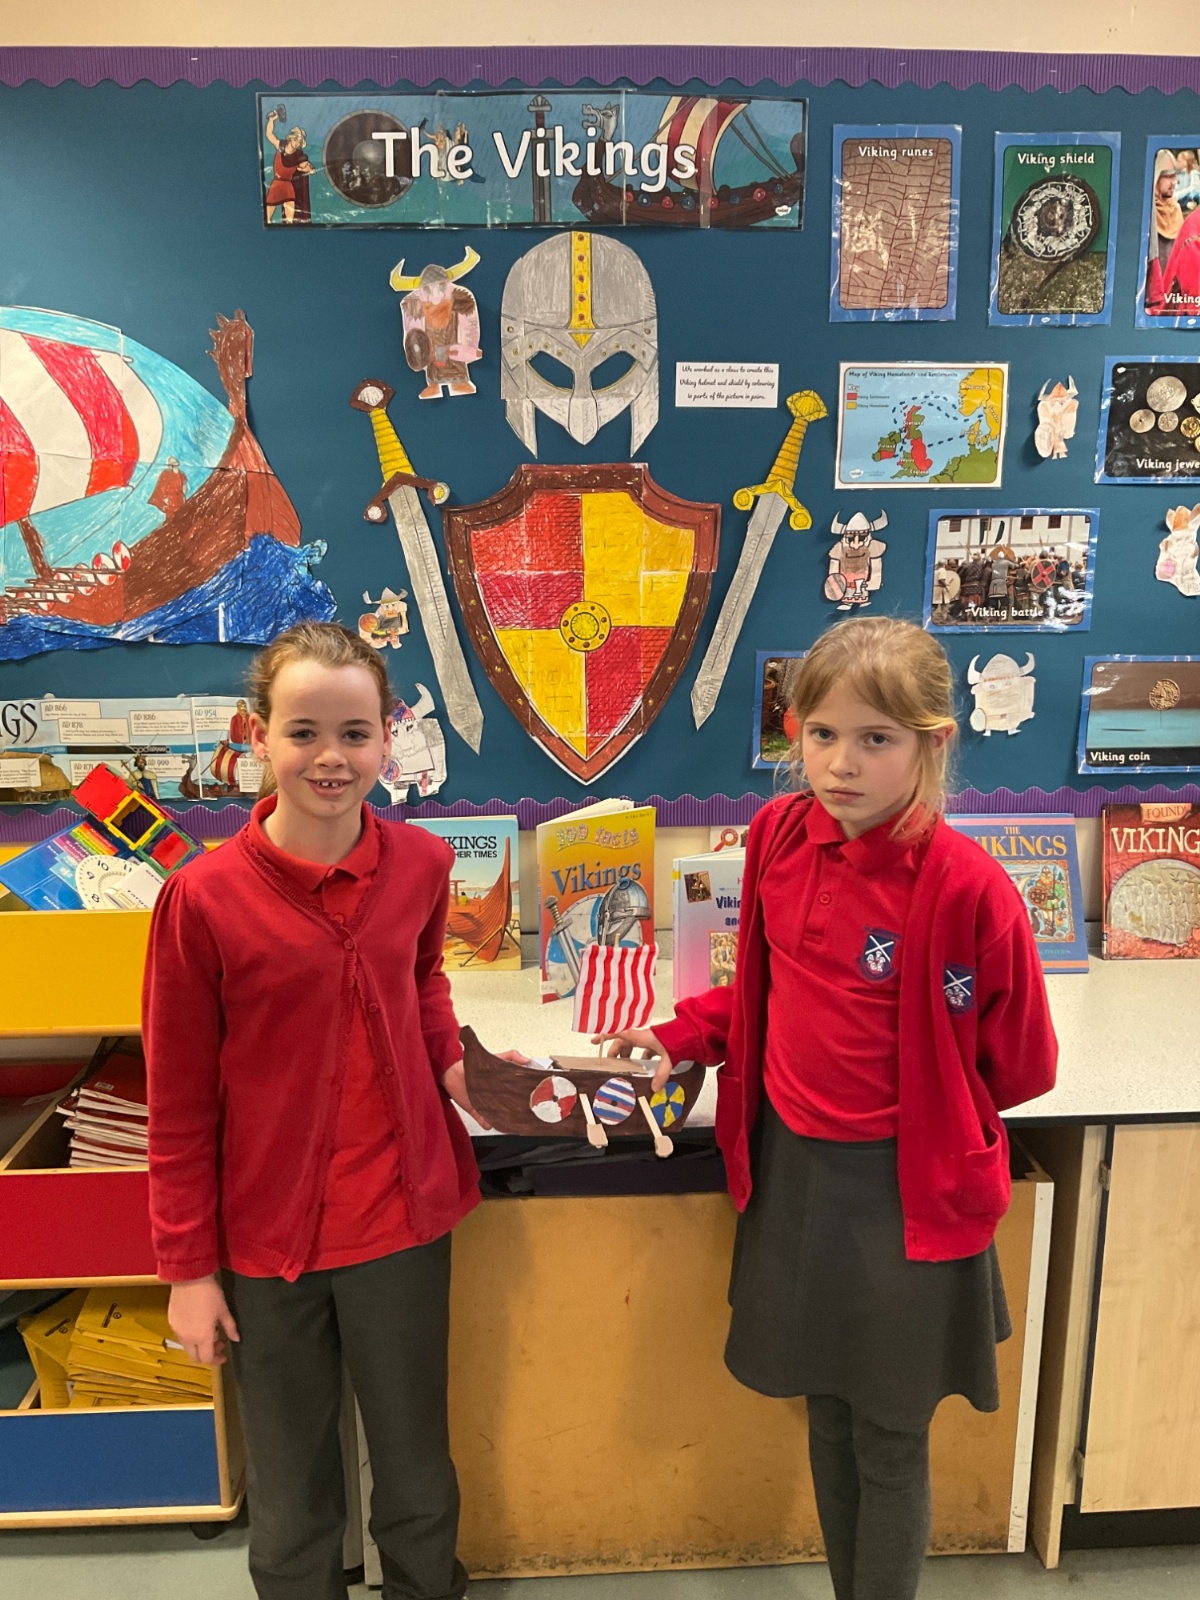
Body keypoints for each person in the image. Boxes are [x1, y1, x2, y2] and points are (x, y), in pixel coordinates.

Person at [602, 616, 1057, 1600]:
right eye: (822, 734)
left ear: (932, 743)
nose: (842, 763)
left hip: (904, 1196)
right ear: (795, 733)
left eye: (875, 738)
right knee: (828, 1408)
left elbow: (1022, 1064)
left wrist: (927, 1102)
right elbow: (768, 989)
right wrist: (684, 1033)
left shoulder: (969, 888)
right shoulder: (778, 834)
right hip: (796, 1177)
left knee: (889, 1437)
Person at [144, 621, 486, 1600]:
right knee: (293, 1490)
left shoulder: (421, 864)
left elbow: (420, 977)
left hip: (400, 1221)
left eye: (354, 732)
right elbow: (177, 1100)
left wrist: (452, 1060)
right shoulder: (202, 900)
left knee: (415, 1471)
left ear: (388, 737)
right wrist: (187, 1270)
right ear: (259, 735)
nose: (330, 757)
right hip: (266, 1239)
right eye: (303, 732)